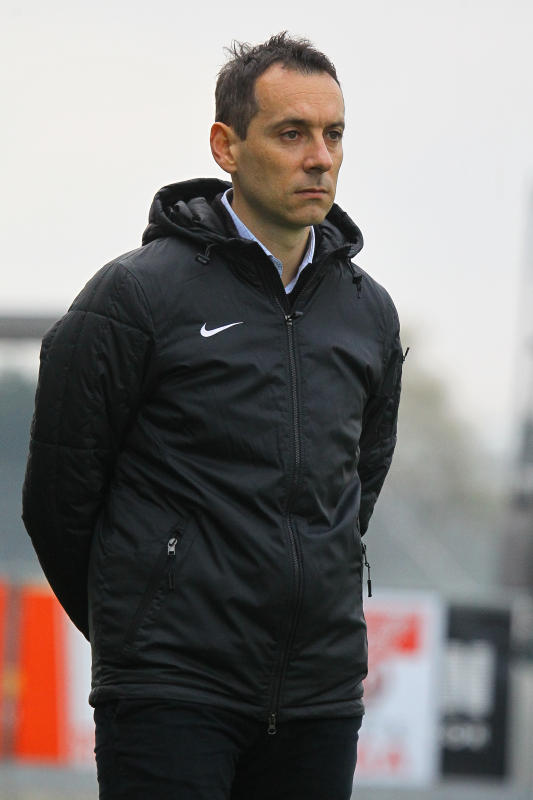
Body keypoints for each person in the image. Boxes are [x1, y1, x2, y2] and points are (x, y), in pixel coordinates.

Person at [22, 32, 403, 800]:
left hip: (318, 696)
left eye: (332, 134)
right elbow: (59, 500)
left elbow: (354, 488)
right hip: (170, 691)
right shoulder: (135, 297)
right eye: (291, 133)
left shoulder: (368, 313)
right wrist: (144, 629)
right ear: (226, 146)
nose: (319, 158)